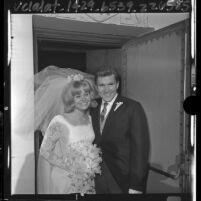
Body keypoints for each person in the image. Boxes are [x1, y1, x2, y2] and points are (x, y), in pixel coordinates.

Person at [37, 76, 102, 194]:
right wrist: (70, 165)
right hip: (64, 179)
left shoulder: (91, 119)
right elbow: (44, 151)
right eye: (78, 96)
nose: (83, 99)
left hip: (86, 179)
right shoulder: (59, 121)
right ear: (71, 99)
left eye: (86, 94)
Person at [90, 67, 150, 194]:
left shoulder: (132, 107)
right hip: (95, 178)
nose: (106, 90)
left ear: (117, 85)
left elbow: (140, 150)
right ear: (96, 87)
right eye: (101, 85)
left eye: (110, 84)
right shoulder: (91, 107)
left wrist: (136, 185)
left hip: (122, 178)